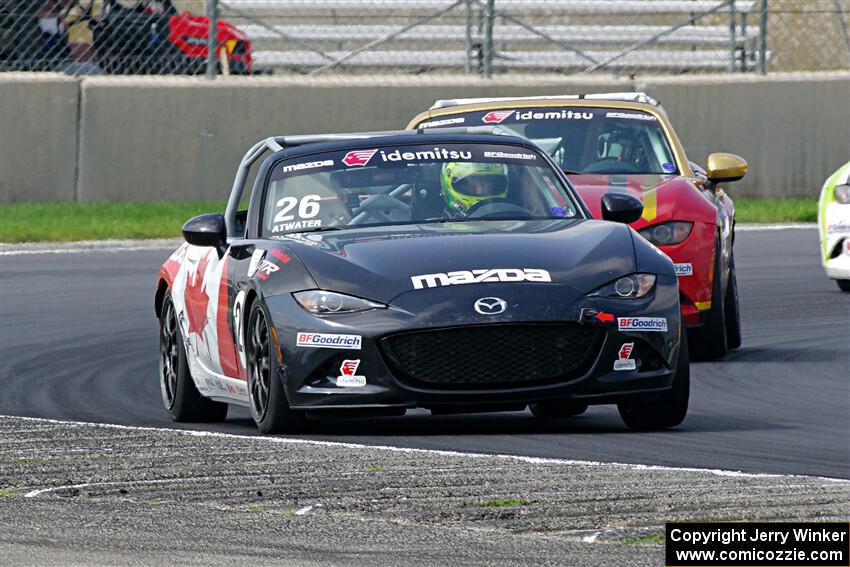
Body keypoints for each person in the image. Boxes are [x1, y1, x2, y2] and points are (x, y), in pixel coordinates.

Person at [440, 162, 509, 216]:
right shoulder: (434, 226)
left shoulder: (513, 219)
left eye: (488, 183)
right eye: (471, 185)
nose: (480, 190)